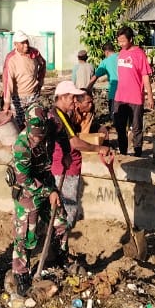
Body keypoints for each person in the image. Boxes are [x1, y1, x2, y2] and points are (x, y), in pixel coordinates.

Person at [9, 81, 114, 294]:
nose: (39, 138)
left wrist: (65, 155)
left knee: (61, 222)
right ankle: (21, 273)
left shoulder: (48, 131)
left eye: (41, 134)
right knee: (26, 234)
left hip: (45, 181)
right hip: (27, 191)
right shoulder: (21, 148)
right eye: (35, 134)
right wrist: (51, 191)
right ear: (29, 128)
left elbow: (61, 145)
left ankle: (61, 256)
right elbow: (25, 181)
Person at [52, 91, 97, 228]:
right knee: (67, 210)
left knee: (68, 208)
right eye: (72, 98)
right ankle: (61, 241)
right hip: (65, 167)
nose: (74, 101)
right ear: (62, 98)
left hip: (71, 165)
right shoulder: (61, 116)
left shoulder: (73, 115)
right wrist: (98, 148)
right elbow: (74, 142)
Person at [112, 26, 153, 159]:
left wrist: (150, 96)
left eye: (123, 41)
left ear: (130, 39)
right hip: (120, 97)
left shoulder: (139, 54)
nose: (121, 44)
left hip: (135, 97)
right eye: (119, 41)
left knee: (136, 127)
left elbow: (145, 76)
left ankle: (137, 152)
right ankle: (123, 151)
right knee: (119, 127)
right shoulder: (121, 52)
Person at [2, 32, 47, 131]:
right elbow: (7, 81)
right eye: (22, 43)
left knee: (35, 123)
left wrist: (40, 81)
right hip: (18, 97)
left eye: (27, 42)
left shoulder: (34, 53)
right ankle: (19, 145)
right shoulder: (11, 59)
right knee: (19, 126)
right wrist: (6, 103)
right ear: (16, 44)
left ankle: (33, 145)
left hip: (33, 95)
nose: (26, 45)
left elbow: (43, 64)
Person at [93, 43, 119, 109]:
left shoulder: (105, 61)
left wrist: (88, 88)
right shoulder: (121, 57)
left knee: (115, 117)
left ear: (106, 52)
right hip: (126, 94)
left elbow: (95, 76)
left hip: (114, 93)